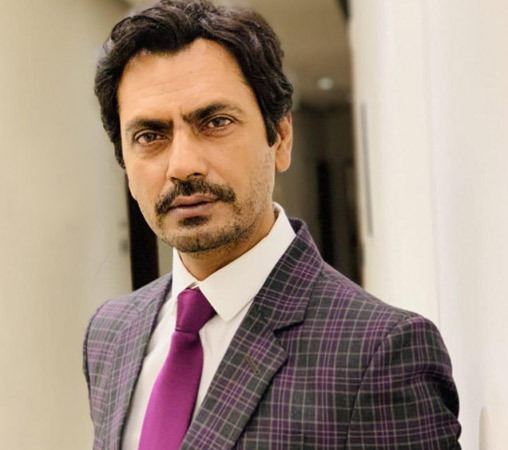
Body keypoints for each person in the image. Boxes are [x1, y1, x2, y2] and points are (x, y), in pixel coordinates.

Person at [83, 0, 461, 448]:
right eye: (150, 136)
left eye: (215, 122)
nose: (182, 165)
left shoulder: (380, 352)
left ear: (280, 138)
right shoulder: (111, 334)